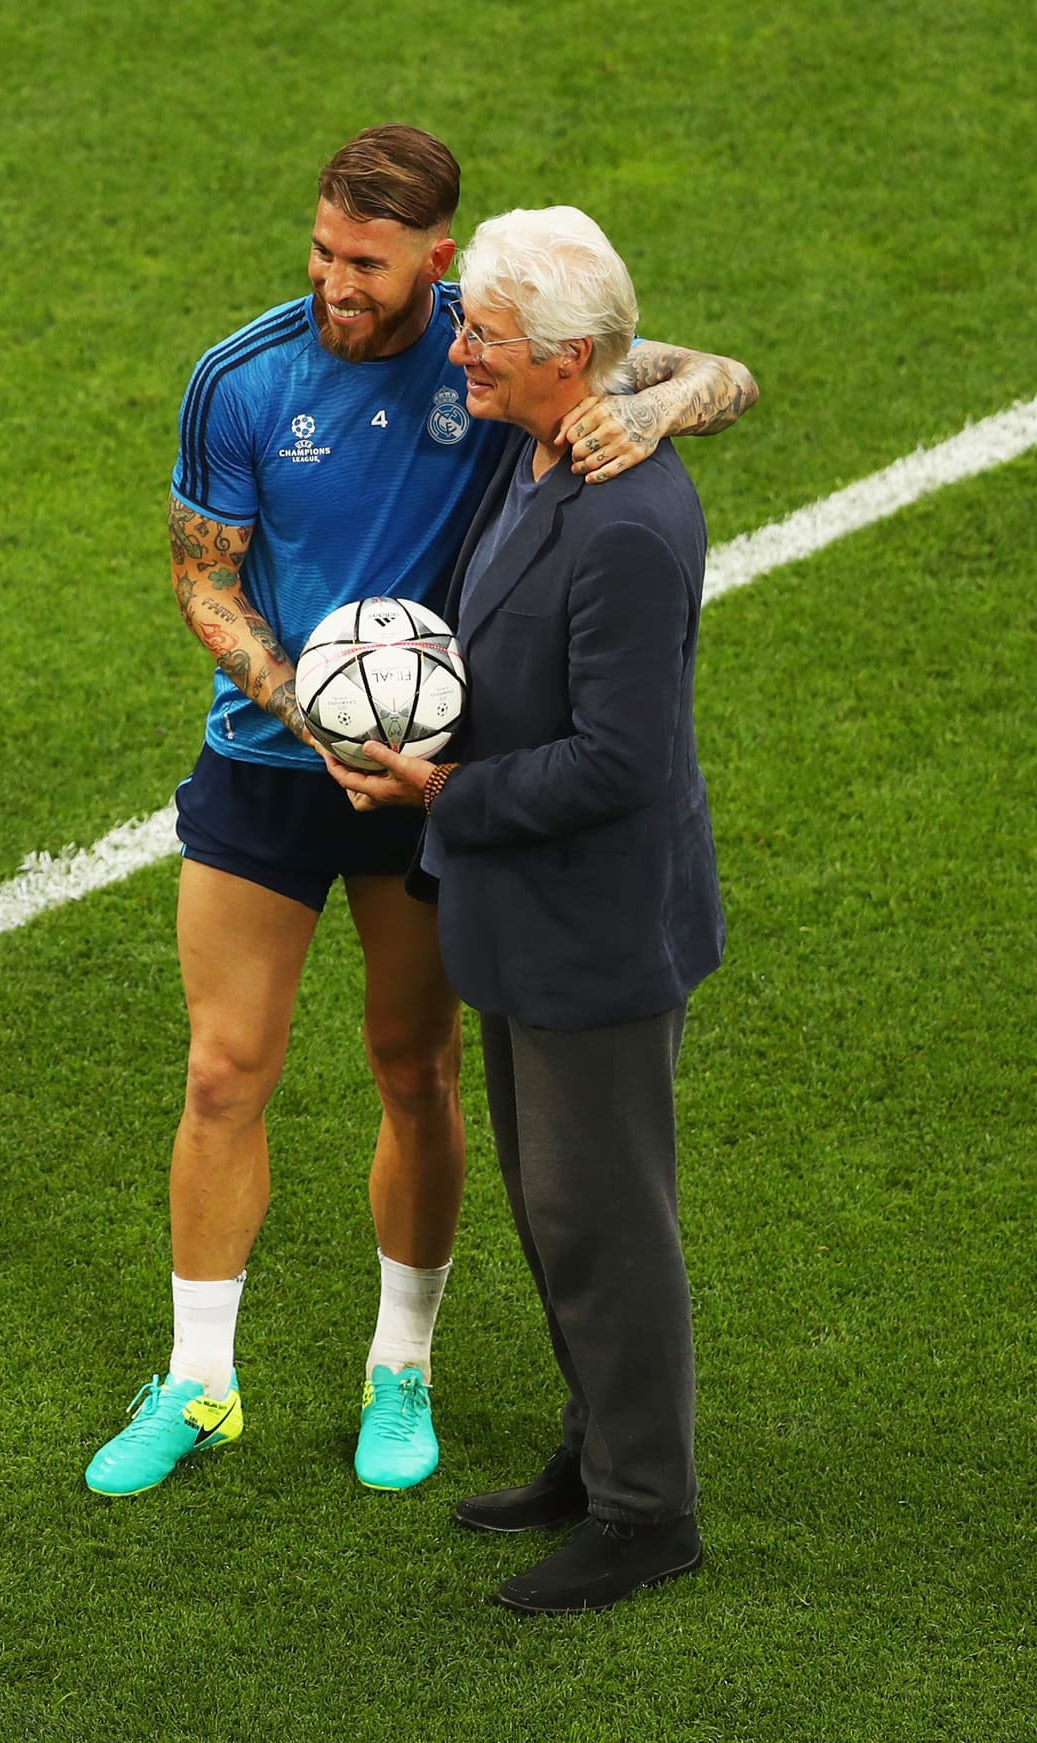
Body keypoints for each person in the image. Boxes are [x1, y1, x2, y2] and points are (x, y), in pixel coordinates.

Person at [84, 128, 755, 1500]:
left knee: (415, 1070)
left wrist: (657, 412)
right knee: (222, 1071)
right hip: (270, 760)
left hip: (434, 776)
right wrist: (304, 710)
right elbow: (203, 581)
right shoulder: (243, 377)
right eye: (325, 250)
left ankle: (404, 1366)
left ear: (435, 261)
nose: (337, 280)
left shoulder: (489, 347)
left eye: (367, 263)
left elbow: (713, 371)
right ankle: (198, 1380)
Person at [324, 206, 727, 1611]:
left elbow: (622, 762)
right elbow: (686, 363)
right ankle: (593, 1448)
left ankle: (646, 1511)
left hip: (594, 929)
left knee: (605, 1222)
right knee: (560, 1213)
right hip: (529, 918)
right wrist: (688, 381)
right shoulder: (554, 435)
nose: (461, 353)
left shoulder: (627, 518)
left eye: (484, 338)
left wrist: (440, 793)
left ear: (564, 360)